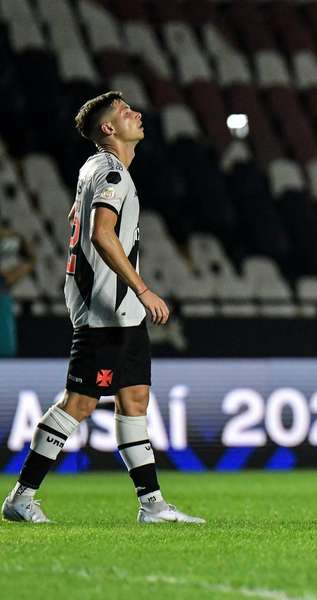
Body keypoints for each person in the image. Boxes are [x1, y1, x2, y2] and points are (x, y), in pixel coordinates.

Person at [2, 92, 204, 524]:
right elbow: (102, 234)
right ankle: (21, 498)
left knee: (134, 398)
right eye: (125, 112)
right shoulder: (111, 171)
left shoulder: (96, 170)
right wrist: (144, 289)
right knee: (79, 403)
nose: (136, 114)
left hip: (115, 310)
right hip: (107, 310)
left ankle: (152, 505)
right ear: (109, 129)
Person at [0, 228, 36, 357]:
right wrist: (18, 237)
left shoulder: (3, 280)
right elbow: (30, 261)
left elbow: (30, 262)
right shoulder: (4, 280)